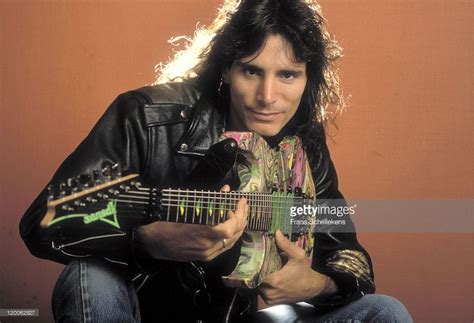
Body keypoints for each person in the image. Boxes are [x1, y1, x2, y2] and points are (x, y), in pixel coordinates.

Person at [20, 0, 412, 322]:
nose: (268, 96)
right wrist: (144, 242)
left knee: (384, 312)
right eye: (251, 71)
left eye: (288, 75)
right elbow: (45, 219)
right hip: (136, 308)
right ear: (227, 68)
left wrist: (315, 285)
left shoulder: (303, 144)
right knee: (90, 276)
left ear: (309, 80)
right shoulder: (146, 116)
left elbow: (347, 253)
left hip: (230, 316)